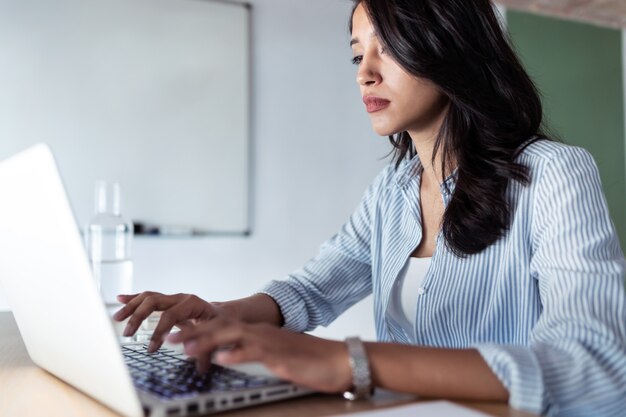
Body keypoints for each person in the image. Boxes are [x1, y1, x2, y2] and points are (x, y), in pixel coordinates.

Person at [113, 0, 626, 415]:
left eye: (389, 49)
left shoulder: (553, 173)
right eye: (358, 55)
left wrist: (348, 361)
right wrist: (223, 313)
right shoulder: (394, 190)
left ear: (451, 50)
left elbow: (596, 367)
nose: (366, 74)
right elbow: (312, 289)